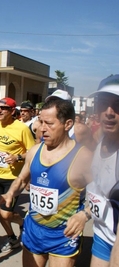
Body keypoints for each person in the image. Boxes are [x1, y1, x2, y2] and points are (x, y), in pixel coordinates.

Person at [0, 98, 93, 267]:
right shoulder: (35, 151)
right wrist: (10, 193)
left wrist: (84, 215)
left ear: (68, 124)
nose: (42, 128)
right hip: (33, 229)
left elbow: (103, 194)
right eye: (41, 122)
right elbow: (21, 179)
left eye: (49, 123)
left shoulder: (83, 157)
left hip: (64, 234)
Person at [0, 97, 35, 252]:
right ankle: (12, 238)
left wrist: (18, 157)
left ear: (12, 111)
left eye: (4, 108)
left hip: (14, 178)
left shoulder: (21, 128)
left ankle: (23, 223)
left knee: (6, 214)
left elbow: (33, 151)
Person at [86, 74, 119, 267]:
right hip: (102, 235)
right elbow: (100, 192)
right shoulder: (99, 139)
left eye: (117, 104)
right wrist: (84, 214)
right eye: (103, 103)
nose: (109, 111)